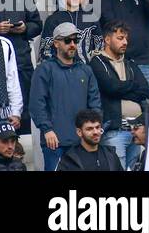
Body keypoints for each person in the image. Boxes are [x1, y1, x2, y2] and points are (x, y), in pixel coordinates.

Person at [30, 22, 101, 171]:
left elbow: (95, 104)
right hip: (55, 142)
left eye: (76, 40)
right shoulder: (44, 69)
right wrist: (47, 129)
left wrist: (94, 129)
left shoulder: (86, 70)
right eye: (67, 40)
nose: (73, 44)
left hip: (82, 142)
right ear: (56, 43)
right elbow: (37, 104)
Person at [88, 21, 149, 170]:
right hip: (114, 130)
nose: (125, 42)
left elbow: (145, 90)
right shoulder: (97, 62)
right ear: (107, 40)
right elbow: (110, 87)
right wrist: (131, 86)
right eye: (120, 38)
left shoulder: (129, 63)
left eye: (126, 39)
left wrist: (121, 89)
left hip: (135, 131)